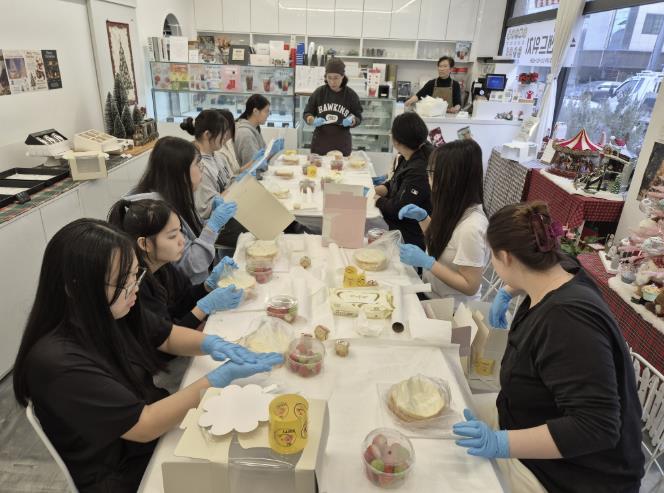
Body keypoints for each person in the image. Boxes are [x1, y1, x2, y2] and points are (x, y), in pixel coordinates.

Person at [12, 219, 283, 492]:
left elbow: (165, 335)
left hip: (149, 432)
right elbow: (145, 425)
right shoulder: (58, 364)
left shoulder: (111, 309)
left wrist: (213, 343)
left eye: (135, 274)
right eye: (123, 281)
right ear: (76, 288)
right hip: (123, 470)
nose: (135, 287)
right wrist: (216, 380)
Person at [452, 202, 644, 493]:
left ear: (506, 257)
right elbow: (553, 262)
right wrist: (509, 289)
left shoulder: (566, 320)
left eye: (492, 256)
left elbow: (596, 427)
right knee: (446, 414)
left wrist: (499, 444)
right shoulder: (563, 269)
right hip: (520, 416)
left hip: (572, 474)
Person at [108, 198, 242, 330]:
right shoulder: (137, 288)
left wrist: (207, 286)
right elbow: (168, 337)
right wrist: (205, 307)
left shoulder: (164, 267)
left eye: (180, 231)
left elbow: (181, 305)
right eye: (172, 236)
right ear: (144, 244)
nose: (182, 240)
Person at [127, 136, 237, 284]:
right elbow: (190, 264)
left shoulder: (175, 197)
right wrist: (212, 226)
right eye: (198, 164)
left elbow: (192, 235)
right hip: (183, 290)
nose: (202, 170)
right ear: (180, 172)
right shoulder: (157, 211)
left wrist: (210, 222)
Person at [398, 139, 488, 305]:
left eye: (432, 173)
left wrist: (428, 263)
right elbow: (445, 244)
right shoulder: (454, 206)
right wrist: (423, 219)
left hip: (451, 309)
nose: (428, 178)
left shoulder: (472, 228)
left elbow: (470, 286)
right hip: (431, 293)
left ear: (453, 179)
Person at [374, 112, 433, 249]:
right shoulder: (410, 153)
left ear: (397, 141)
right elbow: (395, 182)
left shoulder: (420, 169)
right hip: (399, 223)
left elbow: (400, 209)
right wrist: (377, 189)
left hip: (409, 235)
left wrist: (377, 199)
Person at [303, 58, 363, 156]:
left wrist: (352, 120)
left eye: (336, 78)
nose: (332, 82)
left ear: (342, 76)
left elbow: (358, 117)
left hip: (342, 144)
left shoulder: (351, 95)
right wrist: (312, 120)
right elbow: (307, 113)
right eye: (329, 77)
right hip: (320, 144)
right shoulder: (319, 93)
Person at [181, 109, 234, 220]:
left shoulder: (217, 155)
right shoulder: (199, 167)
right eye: (222, 132)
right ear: (207, 134)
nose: (225, 136)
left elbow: (229, 182)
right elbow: (204, 212)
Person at [234, 94, 284, 166]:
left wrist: (271, 151)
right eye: (266, 111)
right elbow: (253, 167)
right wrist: (272, 152)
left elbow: (263, 158)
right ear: (255, 111)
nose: (268, 114)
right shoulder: (245, 134)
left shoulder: (255, 128)